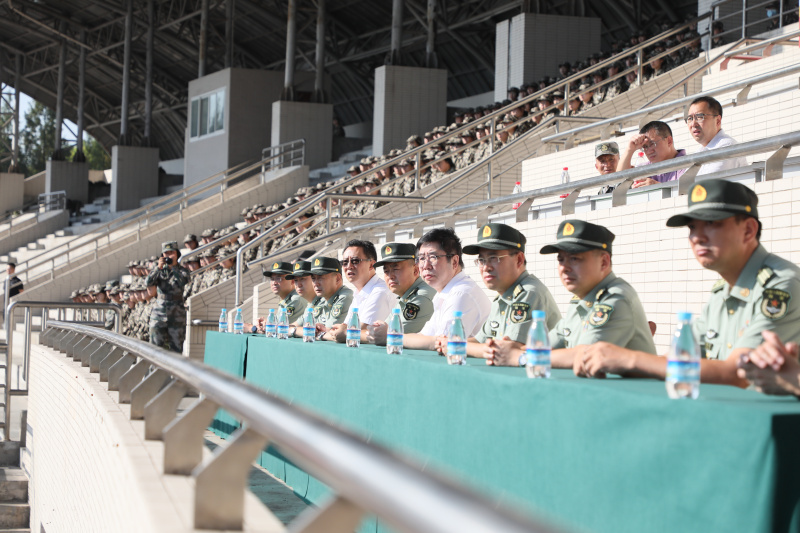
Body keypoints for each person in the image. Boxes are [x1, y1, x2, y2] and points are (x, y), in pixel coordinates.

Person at [579, 179, 800, 385]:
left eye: (712, 223)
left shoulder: (781, 285)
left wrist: (629, 359)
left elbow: (740, 373)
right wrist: (615, 359)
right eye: (693, 227)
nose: (697, 237)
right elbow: (679, 357)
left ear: (748, 230)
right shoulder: (722, 291)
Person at [487, 220, 656, 369]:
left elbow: (586, 355)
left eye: (574, 259)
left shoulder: (616, 299)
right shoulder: (581, 300)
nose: (564, 268)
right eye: (561, 259)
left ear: (604, 262)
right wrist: (509, 350)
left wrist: (521, 357)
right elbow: (544, 346)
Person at [444, 223, 561, 362]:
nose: (486, 267)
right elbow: (479, 340)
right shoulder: (502, 297)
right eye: (481, 260)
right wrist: (447, 342)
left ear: (519, 260)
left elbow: (508, 350)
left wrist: (455, 346)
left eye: (494, 258)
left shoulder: (529, 293)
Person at [401, 228, 491, 351]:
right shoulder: (443, 293)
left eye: (433, 257)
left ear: (454, 261)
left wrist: (392, 337)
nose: (425, 266)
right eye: (421, 258)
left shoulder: (461, 294)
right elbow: (423, 336)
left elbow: (441, 344)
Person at [366, 242, 436, 345]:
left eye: (396, 269)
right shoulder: (405, 295)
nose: (390, 276)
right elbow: (383, 329)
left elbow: (392, 335)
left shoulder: (421, 296)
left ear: (415, 270)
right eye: (386, 271)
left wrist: (348, 333)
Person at [146, 241, 191, 352]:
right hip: (159, 312)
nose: (169, 255)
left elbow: (183, 281)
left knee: (176, 349)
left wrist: (173, 267)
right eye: (166, 253)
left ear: (177, 254)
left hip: (177, 313)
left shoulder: (183, 270)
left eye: (171, 253)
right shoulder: (159, 270)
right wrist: (158, 268)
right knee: (154, 349)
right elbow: (148, 282)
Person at [686, 96, 747, 175]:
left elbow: (709, 180)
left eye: (700, 117)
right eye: (690, 118)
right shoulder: (699, 152)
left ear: (717, 121)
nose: (693, 124)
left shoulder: (727, 146)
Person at [618, 121, 687, 188]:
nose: (649, 151)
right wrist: (630, 149)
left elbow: (686, 193)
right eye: (645, 147)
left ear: (669, 141)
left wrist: (658, 187)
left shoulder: (687, 166)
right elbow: (619, 180)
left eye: (652, 144)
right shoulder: (646, 168)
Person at [309, 257, 353, 340]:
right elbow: (310, 327)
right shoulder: (323, 299)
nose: (316, 283)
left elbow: (332, 332)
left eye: (320, 277)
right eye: (313, 278)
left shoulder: (345, 297)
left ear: (337, 278)